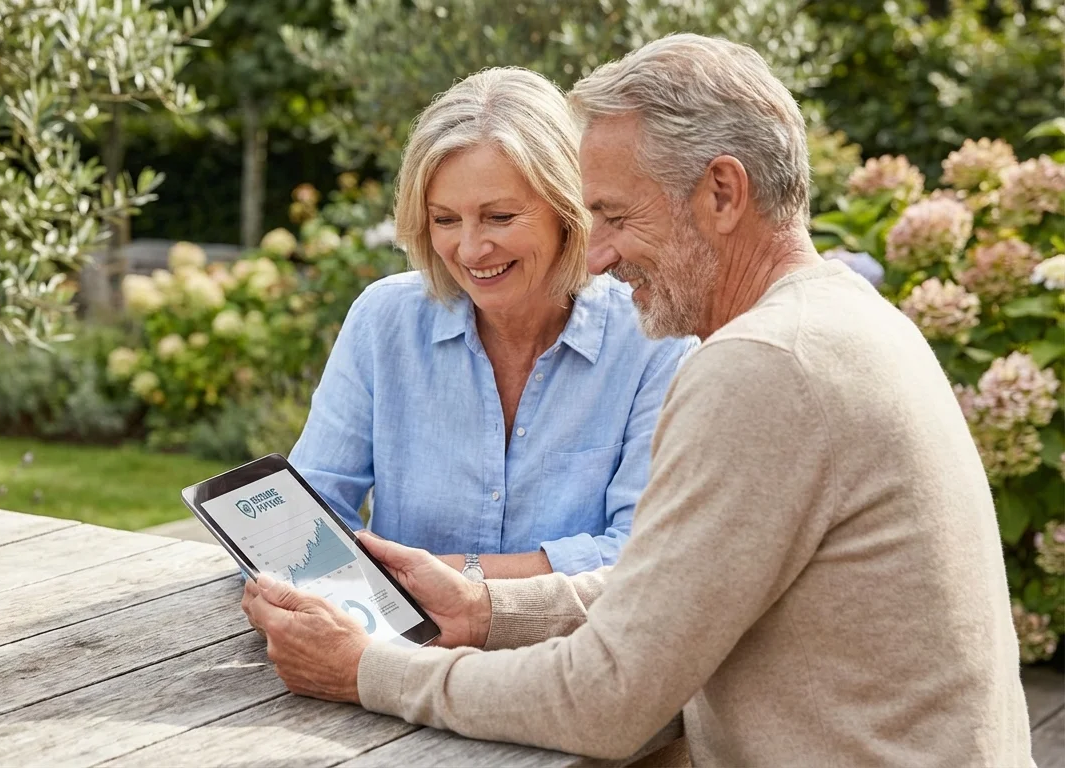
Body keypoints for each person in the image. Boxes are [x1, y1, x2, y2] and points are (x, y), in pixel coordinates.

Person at [242, 33, 1035, 765]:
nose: (602, 254)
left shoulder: (762, 368)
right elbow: (668, 590)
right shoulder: (843, 321)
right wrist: (487, 613)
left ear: (722, 192)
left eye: (615, 216)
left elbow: (605, 700)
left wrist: (371, 670)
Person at [288, 67, 697, 580]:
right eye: (445, 220)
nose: (471, 249)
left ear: (566, 210)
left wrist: (450, 580)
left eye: (500, 217)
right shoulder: (384, 321)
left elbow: (643, 554)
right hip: (402, 653)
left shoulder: (652, 340)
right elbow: (309, 512)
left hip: (567, 654)